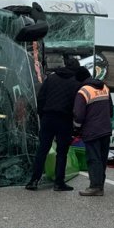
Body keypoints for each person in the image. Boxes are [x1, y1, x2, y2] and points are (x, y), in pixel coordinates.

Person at [25, 60, 85, 191]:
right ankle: (59, 183)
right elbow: (77, 105)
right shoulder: (76, 82)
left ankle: (34, 181)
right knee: (62, 153)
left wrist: (42, 115)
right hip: (64, 120)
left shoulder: (51, 78)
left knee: (42, 150)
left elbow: (41, 98)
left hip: (48, 117)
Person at [73, 72, 112, 196]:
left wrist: (76, 129)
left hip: (92, 131)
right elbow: (111, 110)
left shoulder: (83, 91)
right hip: (106, 129)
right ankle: (100, 185)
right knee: (102, 159)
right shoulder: (105, 88)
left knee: (93, 159)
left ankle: (95, 187)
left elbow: (78, 115)